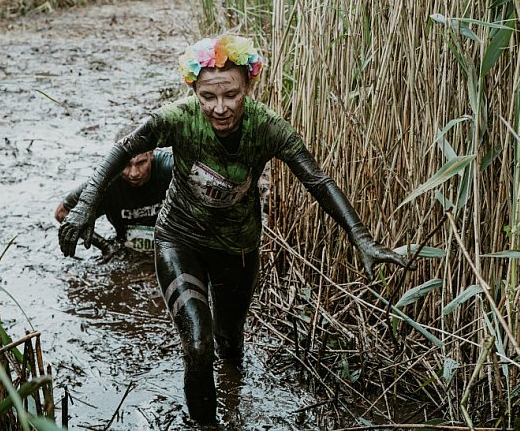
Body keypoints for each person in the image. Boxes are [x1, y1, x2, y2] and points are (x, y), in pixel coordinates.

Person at [57, 34, 408, 423]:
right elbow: (123, 148)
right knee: (197, 342)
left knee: (229, 343)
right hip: (179, 238)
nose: (220, 108)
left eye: (231, 96)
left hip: (237, 246)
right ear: (194, 91)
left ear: (248, 87)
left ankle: (234, 395)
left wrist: (360, 236)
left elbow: (318, 181)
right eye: (208, 97)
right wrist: (84, 207)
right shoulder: (177, 119)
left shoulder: (269, 127)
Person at [55, 126, 173, 256]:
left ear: (151, 153)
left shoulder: (169, 167)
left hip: (170, 241)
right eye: (126, 165)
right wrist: (105, 246)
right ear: (117, 160)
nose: (134, 173)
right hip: (127, 245)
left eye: (141, 163)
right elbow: (62, 213)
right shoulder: (105, 180)